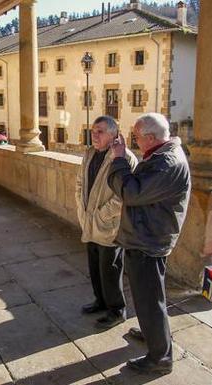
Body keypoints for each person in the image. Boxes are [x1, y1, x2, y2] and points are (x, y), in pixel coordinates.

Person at [107, 113, 191, 375]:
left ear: (151, 138)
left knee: (150, 300)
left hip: (149, 241)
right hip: (146, 235)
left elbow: (130, 192)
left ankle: (160, 358)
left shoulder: (166, 163)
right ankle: (152, 334)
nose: (134, 140)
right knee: (148, 297)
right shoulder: (160, 156)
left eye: (136, 136)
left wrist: (119, 160)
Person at [76, 116, 138, 329]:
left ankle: (116, 310)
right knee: (94, 266)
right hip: (89, 221)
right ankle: (100, 301)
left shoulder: (124, 158)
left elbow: (124, 196)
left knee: (110, 269)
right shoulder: (90, 153)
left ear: (114, 135)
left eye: (100, 131)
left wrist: (102, 215)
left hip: (109, 225)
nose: (94, 134)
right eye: (93, 130)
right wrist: (81, 210)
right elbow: (79, 183)